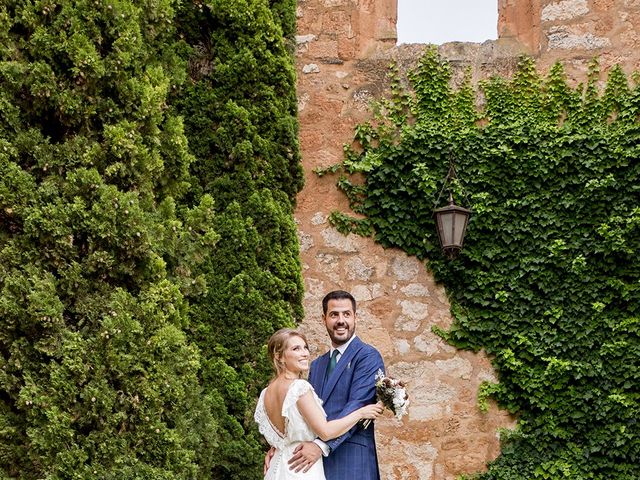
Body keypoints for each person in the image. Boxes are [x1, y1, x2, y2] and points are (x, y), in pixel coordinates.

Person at [254, 328, 383, 479]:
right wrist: (361, 413)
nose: (304, 353)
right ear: (279, 356)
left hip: (278, 467)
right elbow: (326, 431)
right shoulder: (299, 388)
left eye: (305, 347)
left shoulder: (265, 393)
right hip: (302, 468)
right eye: (296, 349)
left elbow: (283, 435)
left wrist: (274, 448)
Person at [286, 290, 385, 479]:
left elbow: (358, 406)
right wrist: (281, 445)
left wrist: (320, 446)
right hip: (314, 465)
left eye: (346, 314)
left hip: (351, 460)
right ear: (324, 319)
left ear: (355, 317)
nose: (341, 320)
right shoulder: (317, 364)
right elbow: (305, 412)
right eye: (334, 314)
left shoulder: (368, 356)